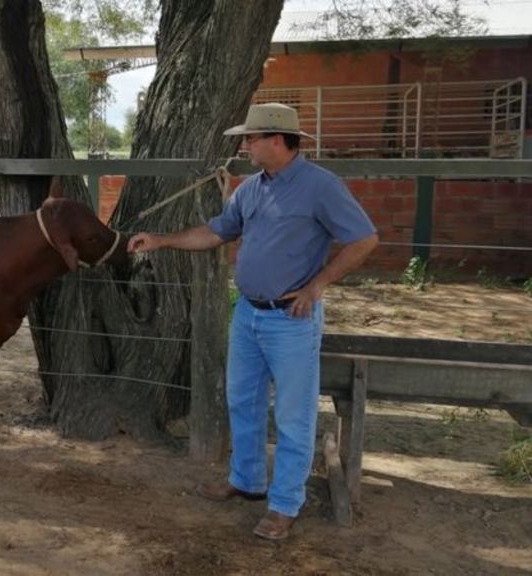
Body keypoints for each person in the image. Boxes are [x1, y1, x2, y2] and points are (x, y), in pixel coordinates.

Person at [127, 102, 378, 540]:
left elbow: (364, 238)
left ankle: (284, 504)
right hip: (248, 314)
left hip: (292, 319)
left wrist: (318, 285)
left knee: (293, 413)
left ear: (277, 141)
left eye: (251, 138)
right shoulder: (251, 188)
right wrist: (162, 241)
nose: (245, 146)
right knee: (242, 400)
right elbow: (218, 231)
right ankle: (246, 481)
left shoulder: (320, 187)